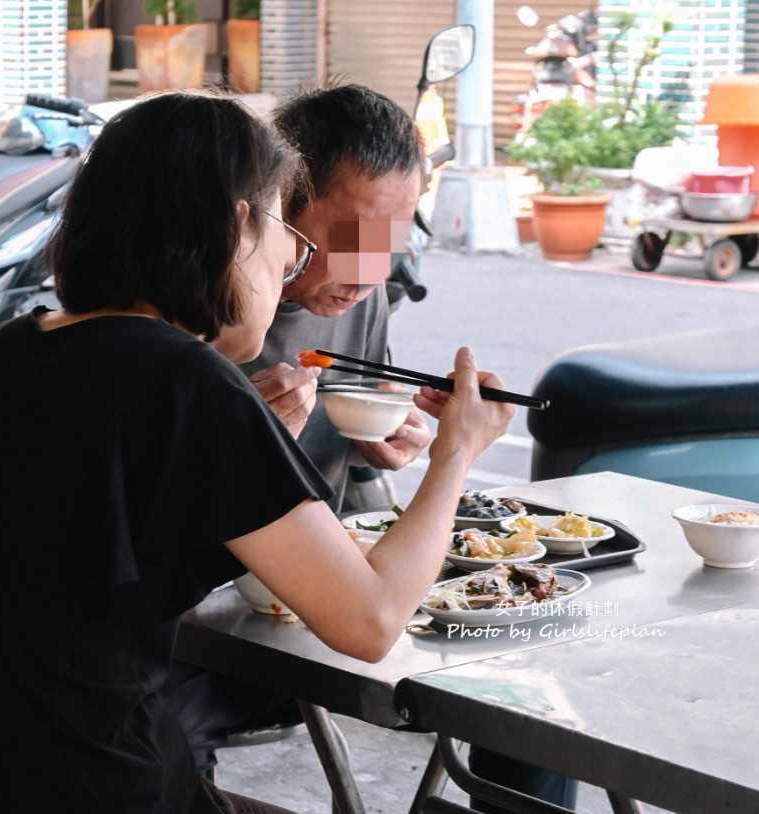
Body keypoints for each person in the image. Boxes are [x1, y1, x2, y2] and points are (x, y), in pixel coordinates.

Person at [0, 89, 513, 813]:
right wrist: (455, 453)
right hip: (84, 786)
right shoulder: (186, 383)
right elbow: (371, 622)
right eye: (291, 232)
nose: (291, 261)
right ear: (237, 227)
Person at [167, 83, 576, 813]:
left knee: (530, 678)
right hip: (203, 630)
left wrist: (382, 445)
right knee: (152, 731)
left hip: (323, 609)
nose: (370, 271)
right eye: (352, 237)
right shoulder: (194, 326)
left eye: (391, 244)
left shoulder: (362, 300)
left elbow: (347, 453)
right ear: (275, 206)